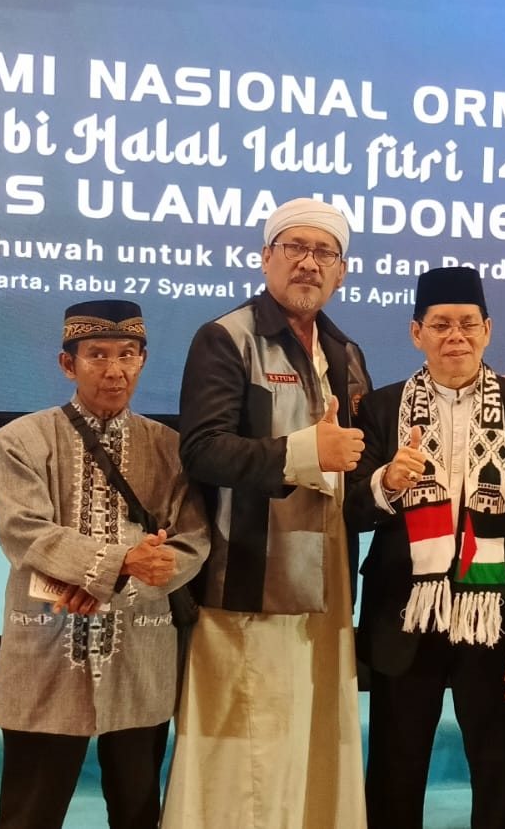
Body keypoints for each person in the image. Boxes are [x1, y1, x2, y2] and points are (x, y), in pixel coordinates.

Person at [165, 198, 371, 829]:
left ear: (341, 271)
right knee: (248, 749)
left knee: (314, 733)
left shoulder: (346, 351)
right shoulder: (226, 338)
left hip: (327, 576)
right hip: (249, 575)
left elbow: (353, 459)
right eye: (295, 247)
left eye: (324, 252)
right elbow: (202, 451)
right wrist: (304, 452)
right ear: (265, 258)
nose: (309, 263)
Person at [347, 266, 505, 829]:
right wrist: (386, 483)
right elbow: (351, 510)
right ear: (417, 333)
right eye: (440, 325)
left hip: (494, 619)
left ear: (487, 329)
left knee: (497, 773)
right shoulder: (382, 407)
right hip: (404, 615)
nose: (455, 336)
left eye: (467, 324)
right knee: (394, 773)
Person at [0, 299, 210, 829]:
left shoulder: (171, 449)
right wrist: (121, 562)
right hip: (47, 647)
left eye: (127, 354)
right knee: (29, 815)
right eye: (97, 355)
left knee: (137, 811)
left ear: (143, 360)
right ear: (68, 364)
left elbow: (194, 539)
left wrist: (156, 567)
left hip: (140, 649)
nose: (115, 370)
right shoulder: (19, 441)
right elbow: (25, 531)